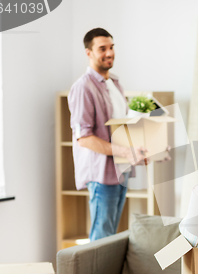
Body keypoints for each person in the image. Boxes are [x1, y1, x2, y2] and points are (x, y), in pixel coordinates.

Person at [68, 28, 149, 241]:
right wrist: (125, 151)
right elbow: (84, 137)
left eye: (111, 47)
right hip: (100, 174)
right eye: (102, 48)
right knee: (101, 237)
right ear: (89, 53)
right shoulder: (83, 87)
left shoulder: (114, 83)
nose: (109, 53)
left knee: (111, 237)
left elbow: (120, 128)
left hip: (120, 169)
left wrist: (142, 150)